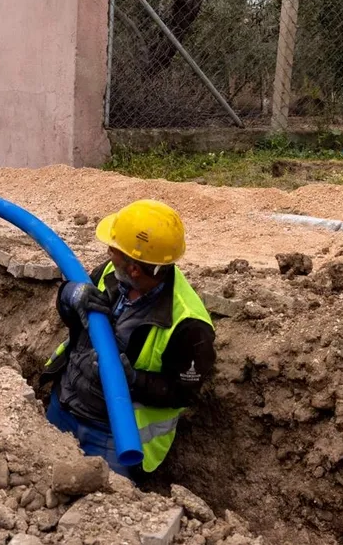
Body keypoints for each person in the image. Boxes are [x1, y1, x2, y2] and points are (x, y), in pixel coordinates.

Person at [42, 200, 216, 479]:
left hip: (113, 436)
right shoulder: (111, 273)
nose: (108, 253)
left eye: (113, 250)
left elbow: (184, 392)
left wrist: (132, 379)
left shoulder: (189, 325)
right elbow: (76, 322)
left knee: (104, 502)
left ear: (134, 268)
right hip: (63, 404)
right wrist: (68, 295)